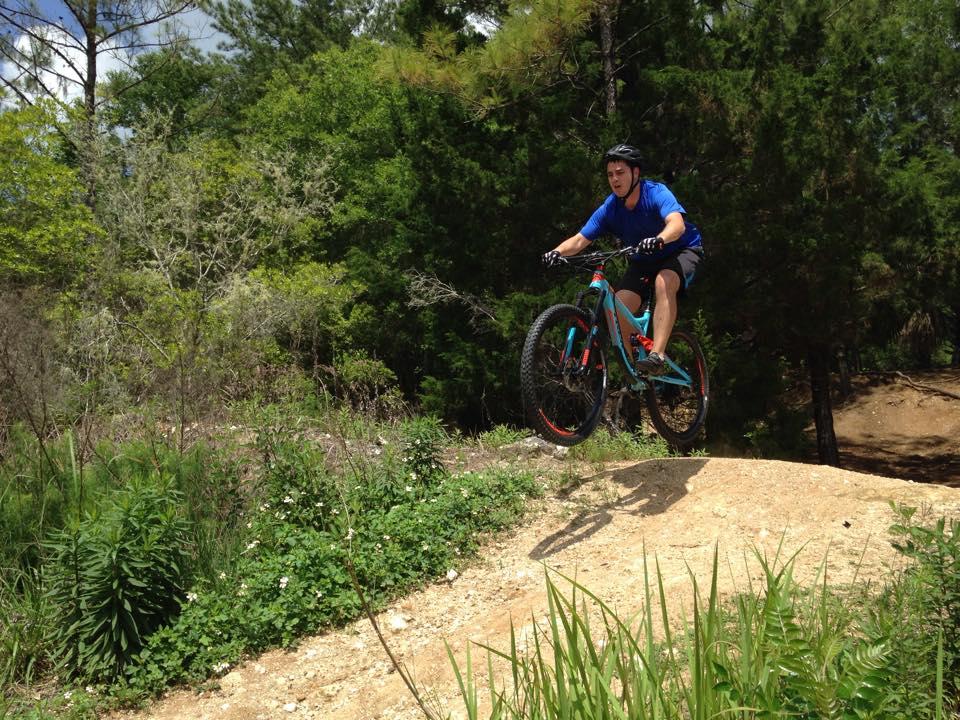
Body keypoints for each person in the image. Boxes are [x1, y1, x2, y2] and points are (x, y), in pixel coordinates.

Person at [543, 144, 704, 374]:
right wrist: (556, 252)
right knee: (616, 308)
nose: (614, 179)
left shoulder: (655, 192)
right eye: (610, 174)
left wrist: (659, 239)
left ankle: (656, 355)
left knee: (663, 281)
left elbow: (677, 225)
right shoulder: (611, 207)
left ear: (635, 173)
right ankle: (635, 370)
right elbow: (580, 239)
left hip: (681, 250)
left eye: (620, 173)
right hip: (644, 260)